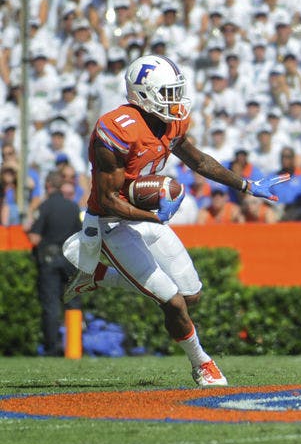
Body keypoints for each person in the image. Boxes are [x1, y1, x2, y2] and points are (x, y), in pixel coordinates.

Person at [61, 55, 288, 386]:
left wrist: (247, 185)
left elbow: (198, 161)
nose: (175, 101)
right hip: (112, 221)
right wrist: (153, 214)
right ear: (142, 94)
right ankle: (203, 364)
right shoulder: (115, 130)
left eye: (176, 91)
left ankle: (97, 273)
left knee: (191, 294)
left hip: (147, 219)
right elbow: (109, 199)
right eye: (167, 93)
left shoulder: (172, 122)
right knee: (173, 301)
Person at [27, 172, 83, 357]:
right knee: (73, 302)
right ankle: (74, 349)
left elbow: (34, 238)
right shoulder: (73, 207)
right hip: (70, 260)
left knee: (51, 306)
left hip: (49, 260)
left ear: (48, 185)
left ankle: (52, 349)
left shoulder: (45, 206)